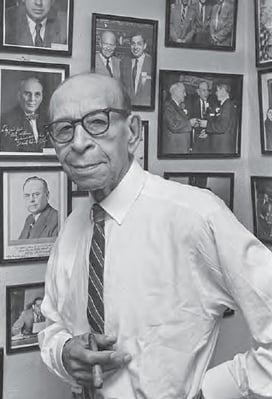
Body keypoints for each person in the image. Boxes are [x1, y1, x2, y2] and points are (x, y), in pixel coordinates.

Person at [38, 72, 272, 399]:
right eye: (64, 129)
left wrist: (214, 391)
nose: (78, 143)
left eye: (97, 122)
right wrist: (64, 353)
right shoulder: (72, 229)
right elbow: (51, 325)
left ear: (132, 131)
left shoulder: (194, 215)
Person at [1, 77, 51, 152]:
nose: (32, 99)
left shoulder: (47, 120)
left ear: (42, 97)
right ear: (19, 95)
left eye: (37, 94)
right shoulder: (6, 121)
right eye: (27, 94)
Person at [199, 81, 238, 154]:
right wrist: (207, 131)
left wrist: (206, 124)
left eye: (217, 90)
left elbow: (222, 127)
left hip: (223, 148)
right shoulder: (224, 105)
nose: (216, 93)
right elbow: (219, 124)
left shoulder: (227, 106)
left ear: (223, 91)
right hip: (220, 147)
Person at [162, 81, 198, 154]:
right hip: (174, 150)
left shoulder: (178, 106)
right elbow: (173, 125)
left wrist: (193, 124)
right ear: (176, 92)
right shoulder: (168, 106)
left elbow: (182, 124)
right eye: (183, 92)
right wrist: (189, 123)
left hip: (181, 149)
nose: (185, 94)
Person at [120, 32, 152, 106]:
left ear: (145, 46)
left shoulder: (152, 63)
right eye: (133, 43)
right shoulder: (124, 63)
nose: (135, 47)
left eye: (139, 44)